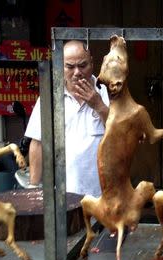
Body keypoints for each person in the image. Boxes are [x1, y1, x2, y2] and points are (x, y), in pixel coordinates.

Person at [17, 40, 109, 197]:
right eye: (70, 66)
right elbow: (38, 143)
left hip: (101, 195)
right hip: (62, 196)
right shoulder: (50, 96)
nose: (77, 72)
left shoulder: (107, 91)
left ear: (92, 63)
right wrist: (33, 188)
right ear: (60, 67)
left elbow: (121, 135)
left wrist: (98, 105)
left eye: (82, 65)